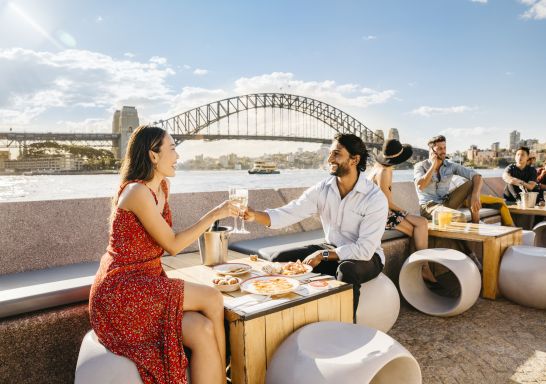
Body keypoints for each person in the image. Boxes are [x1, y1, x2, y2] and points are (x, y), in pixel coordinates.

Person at [89, 126, 238, 384]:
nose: (177, 156)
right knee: (213, 299)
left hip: (146, 282)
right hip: (121, 292)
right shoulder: (136, 192)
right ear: (153, 156)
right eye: (172, 149)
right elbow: (172, 245)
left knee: (202, 330)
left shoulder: (162, 187)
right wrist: (215, 214)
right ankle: (230, 377)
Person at [244, 133, 388, 316]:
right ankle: (284, 319)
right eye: (329, 153)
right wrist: (254, 215)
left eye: (336, 154)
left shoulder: (374, 198)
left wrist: (323, 254)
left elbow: (365, 249)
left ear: (354, 159)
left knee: (347, 270)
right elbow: (290, 212)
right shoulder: (323, 189)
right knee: (279, 258)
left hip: (366, 258)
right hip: (332, 250)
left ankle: (345, 329)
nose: (329, 159)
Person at [368, 139, 435, 281]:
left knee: (420, 225)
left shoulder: (377, 167)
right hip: (378, 216)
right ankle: (423, 269)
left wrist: (403, 214)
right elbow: (386, 202)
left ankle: (419, 269)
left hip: (379, 212)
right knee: (419, 226)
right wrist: (406, 213)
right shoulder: (384, 172)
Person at [414, 135, 483, 223]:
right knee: (459, 217)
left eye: (444, 148)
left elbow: (477, 176)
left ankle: (477, 225)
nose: (443, 151)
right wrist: (433, 165)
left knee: (471, 183)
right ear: (432, 150)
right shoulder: (420, 166)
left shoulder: (450, 165)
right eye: (439, 149)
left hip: (446, 203)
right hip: (428, 207)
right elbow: (420, 185)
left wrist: (475, 195)